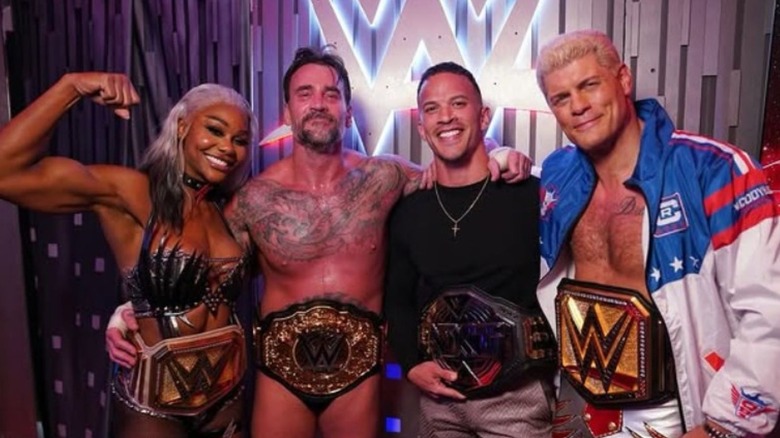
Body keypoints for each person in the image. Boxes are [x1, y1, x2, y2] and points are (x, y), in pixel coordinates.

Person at [535, 29, 780, 438]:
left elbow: (770, 311)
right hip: (577, 400)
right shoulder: (556, 176)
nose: (578, 106)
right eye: (561, 98)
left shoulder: (714, 170)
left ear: (624, 80)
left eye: (589, 85)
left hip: (678, 408)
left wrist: (723, 424)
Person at [0, 72, 257, 437]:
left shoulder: (229, 209)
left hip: (227, 400)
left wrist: (124, 312)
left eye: (240, 140)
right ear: (182, 126)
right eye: (214, 130)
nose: (227, 148)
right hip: (153, 408)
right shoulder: (133, 192)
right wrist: (70, 86)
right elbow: (5, 172)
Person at [383, 61, 557, 437]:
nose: (445, 117)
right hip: (439, 403)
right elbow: (397, 299)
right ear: (421, 128)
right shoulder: (409, 208)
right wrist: (411, 364)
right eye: (432, 109)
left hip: (518, 400)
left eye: (458, 104)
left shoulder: (530, 194)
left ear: (483, 116)